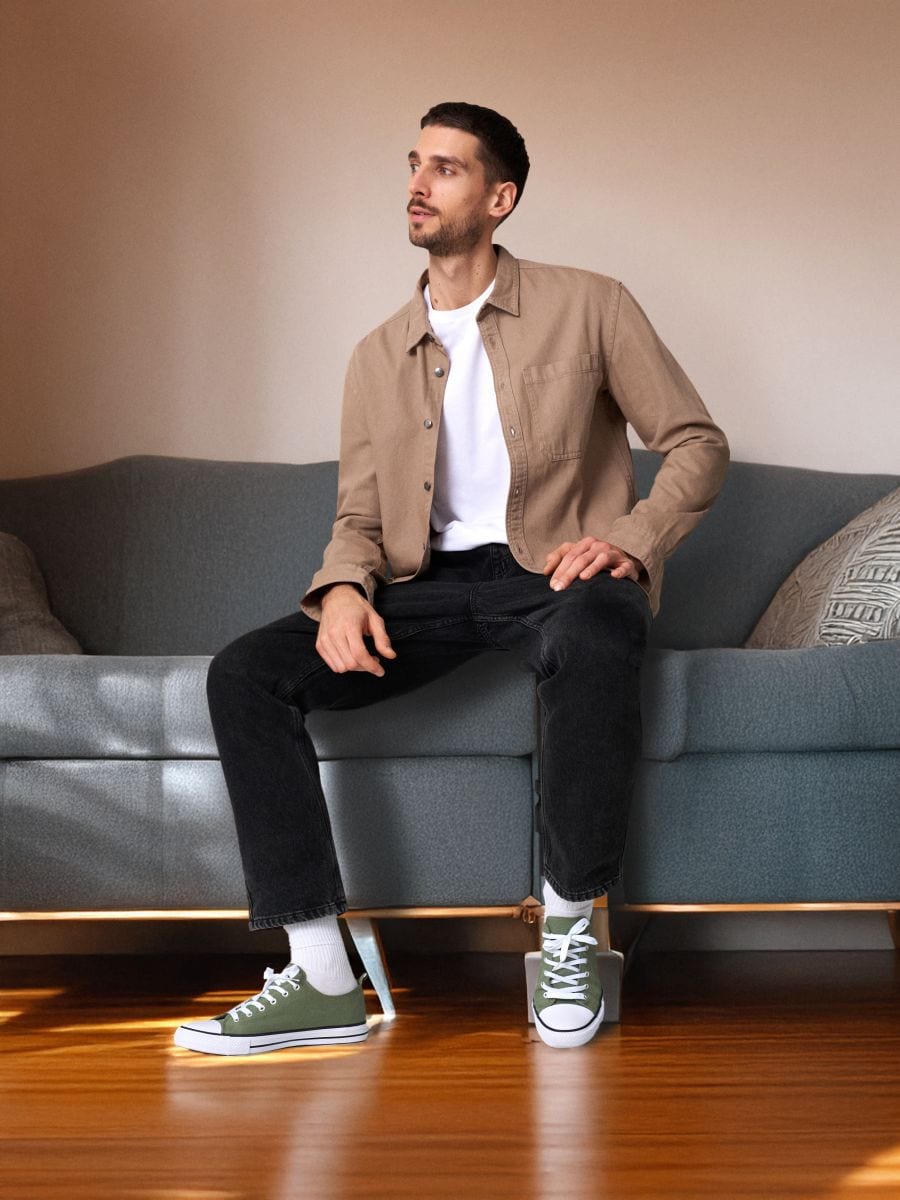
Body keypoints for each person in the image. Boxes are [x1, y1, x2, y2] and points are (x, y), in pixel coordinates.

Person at [174, 102, 729, 1056]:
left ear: (500, 198)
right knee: (245, 674)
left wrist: (633, 540)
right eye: (414, 164)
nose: (418, 185)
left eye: (446, 168)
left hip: (556, 571)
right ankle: (321, 977)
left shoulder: (591, 304)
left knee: (599, 627)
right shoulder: (375, 355)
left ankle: (569, 934)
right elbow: (358, 518)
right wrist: (342, 590)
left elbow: (696, 443)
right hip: (424, 585)